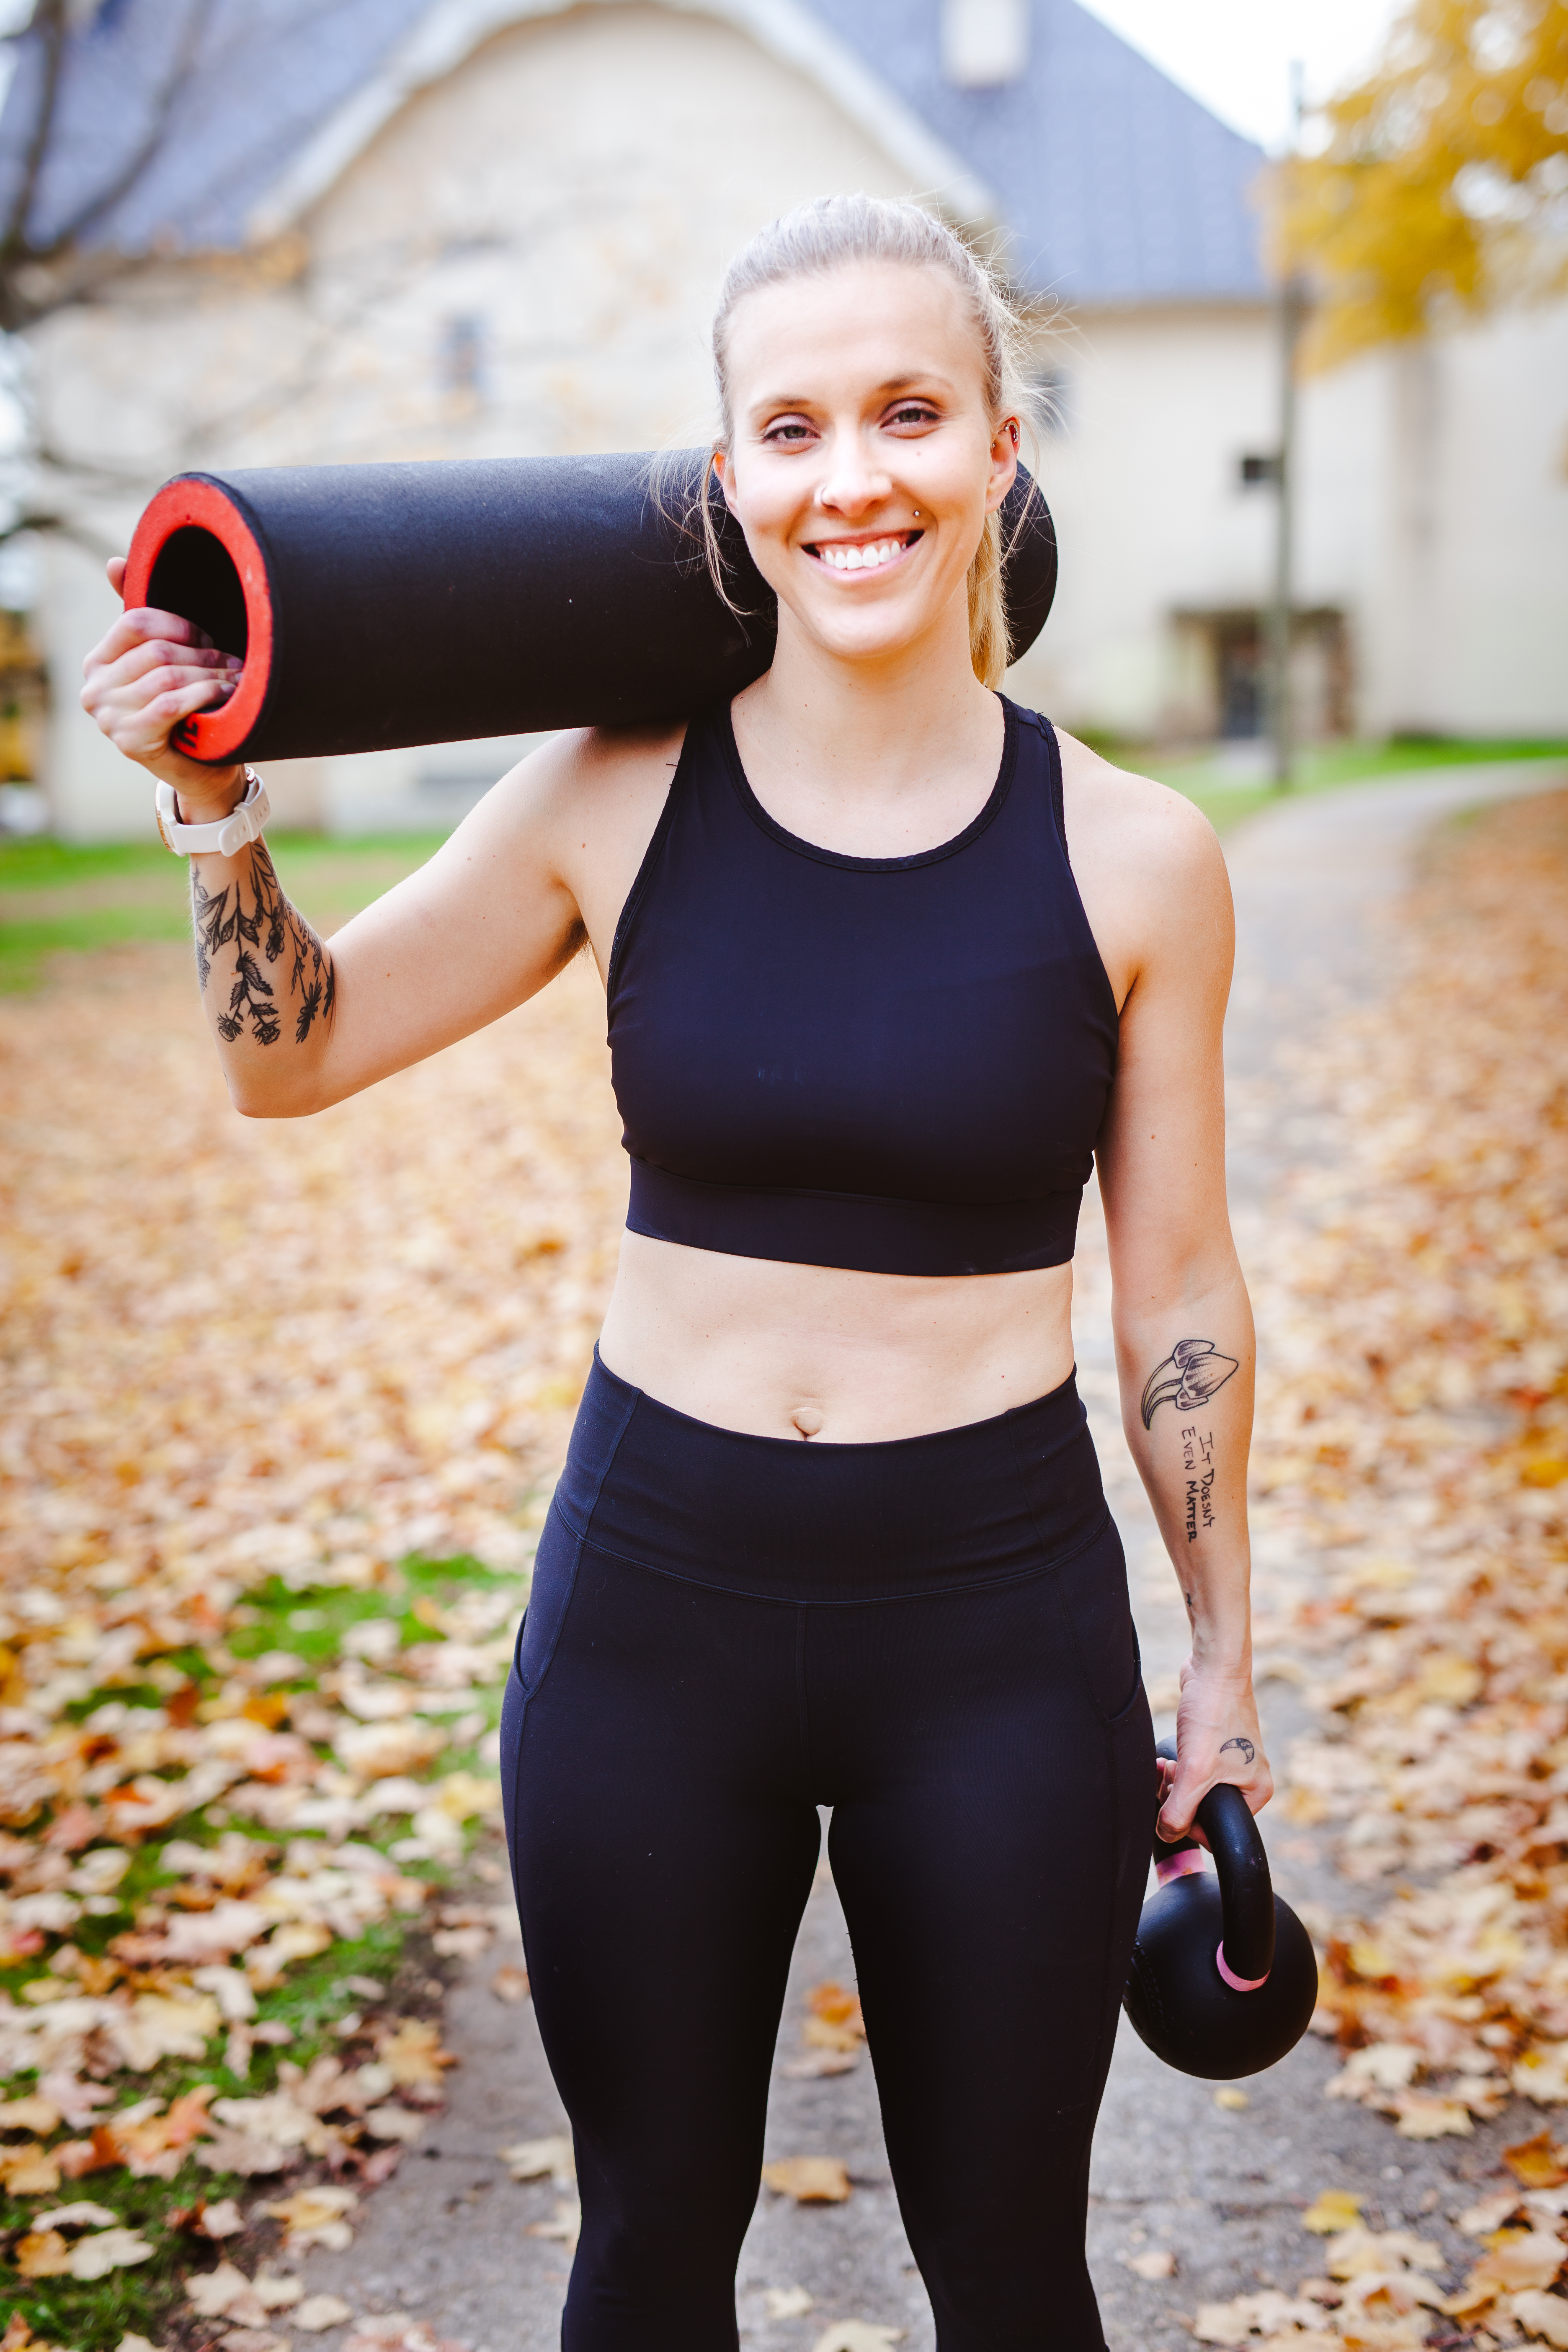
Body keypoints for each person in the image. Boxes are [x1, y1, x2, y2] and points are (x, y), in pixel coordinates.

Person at [83, 193, 1271, 2352]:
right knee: (645, 2257)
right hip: (655, 1619)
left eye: (909, 414)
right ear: (730, 474)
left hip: (996, 1636)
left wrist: (1220, 1658)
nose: (854, 479)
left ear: (1000, 445)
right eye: (792, 430)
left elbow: (1177, 1288)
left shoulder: (1136, 857)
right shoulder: (615, 792)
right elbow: (297, 1054)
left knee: (1013, 2272)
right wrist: (208, 804)